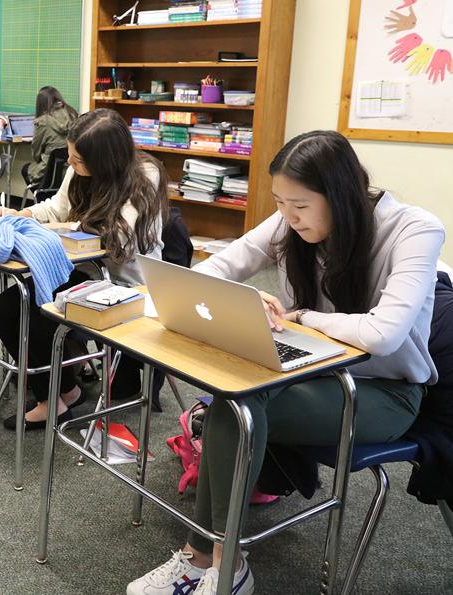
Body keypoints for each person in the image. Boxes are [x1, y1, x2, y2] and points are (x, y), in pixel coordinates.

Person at [127, 130, 445, 595]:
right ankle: (213, 559)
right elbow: (212, 270)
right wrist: (241, 296)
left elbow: (384, 333)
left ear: (341, 196)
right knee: (233, 400)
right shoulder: (290, 221)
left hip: (382, 393)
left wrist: (302, 317)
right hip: (308, 372)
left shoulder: (414, 229)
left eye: (299, 205)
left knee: (239, 406)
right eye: (279, 202)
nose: (288, 217)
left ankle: (218, 561)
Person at [0, 109, 168, 430]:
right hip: (87, 272)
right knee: (6, 308)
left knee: (39, 313)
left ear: (105, 161)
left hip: (126, 284)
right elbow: (56, 208)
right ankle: (66, 393)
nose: (71, 164)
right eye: (70, 156)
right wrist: (18, 215)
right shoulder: (80, 167)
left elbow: (120, 240)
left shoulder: (145, 177)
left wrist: (67, 228)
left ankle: (52, 401)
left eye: (78, 160)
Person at [23, 86, 77, 186]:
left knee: (25, 169)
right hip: (70, 171)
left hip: (48, 172)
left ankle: (42, 195)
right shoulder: (72, 113)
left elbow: (36, 153)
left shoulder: (43, 121)